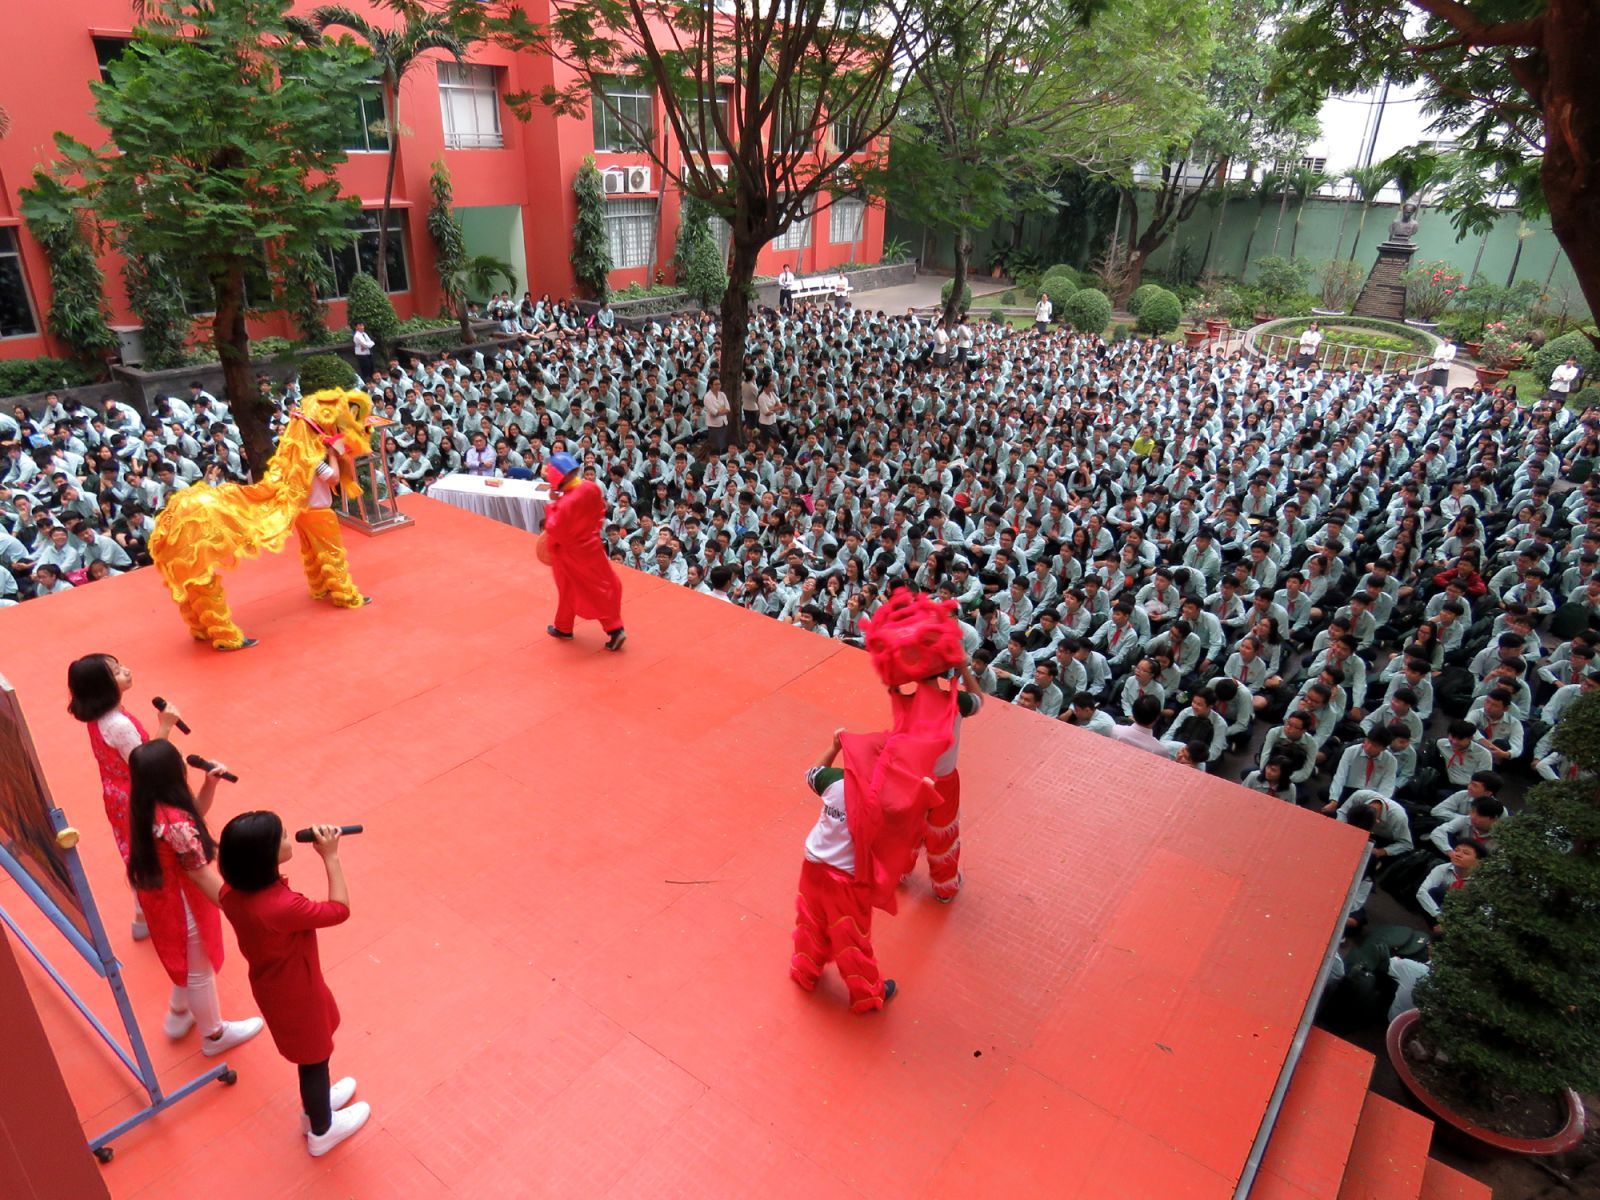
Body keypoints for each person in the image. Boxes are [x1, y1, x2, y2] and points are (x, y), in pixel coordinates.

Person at [218, 814, 370, 1157]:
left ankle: (316, 1106)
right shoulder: (280, 907)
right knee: (315, 1058)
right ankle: (322, 1129)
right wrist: (331, 856)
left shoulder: (231, 892)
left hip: (276, 985)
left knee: (312, 1055)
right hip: (298, 992)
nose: (289, 840)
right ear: (265, 857)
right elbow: (339, 910)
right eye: (283, 837)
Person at [124, 741, 263, 1056]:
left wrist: (209, 785)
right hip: (184, 902)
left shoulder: (146, 805)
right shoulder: (175, 823)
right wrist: (238, 906)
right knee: (200, 970)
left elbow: (189, 819)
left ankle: (179, 1011)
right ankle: (215, 1035)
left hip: (162, 898)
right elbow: (200, 873)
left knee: (187, 960)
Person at [66, 653, 185, 940]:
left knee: (137, 852)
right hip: (139, 796)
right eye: (117, 671)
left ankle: (142, 916)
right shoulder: (118, 725)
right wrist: (166, 725)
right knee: (156, 852)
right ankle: (162, 916)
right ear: (103, 686)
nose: (127, 671)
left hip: (117, 794)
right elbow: (145, 763)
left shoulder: (101, 719)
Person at [791, 728, 901, 1013]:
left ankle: (804, 971)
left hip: (812, 867)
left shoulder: (836, 781)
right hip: (846, 881)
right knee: (851, 939)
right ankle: (867, 994)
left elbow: (812, 773)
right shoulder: (885, 798)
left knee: (810, 923)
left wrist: (833, 747)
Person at [541, 451, 626, 649]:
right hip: (592, 546)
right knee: (601, 586)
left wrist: (553, 503)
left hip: (569, 552)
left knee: (571, 588)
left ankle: (609, 629)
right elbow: (600, 511)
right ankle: (608, 627)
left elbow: (554, 529)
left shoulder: (565, 503)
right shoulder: (591, 487)